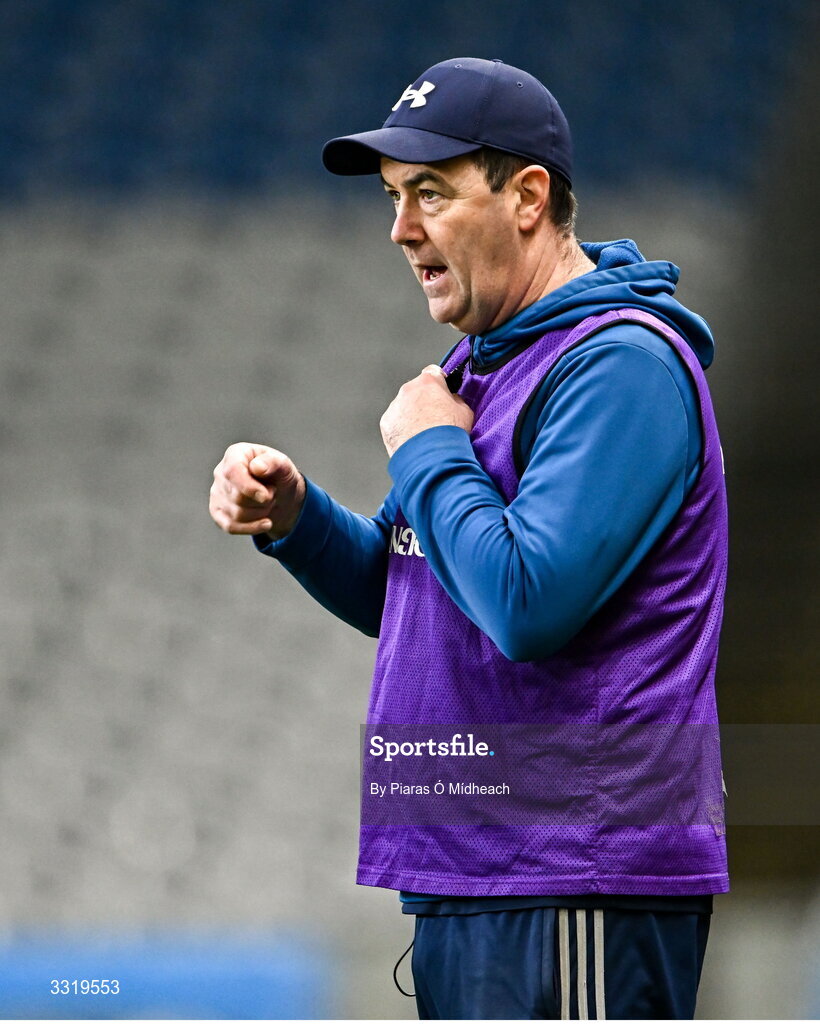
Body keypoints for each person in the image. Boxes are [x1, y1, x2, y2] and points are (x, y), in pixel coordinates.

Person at [209, 57, 728, 1020]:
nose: (401, 229)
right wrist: (299, 521)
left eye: (431, 193)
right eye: (394, 198)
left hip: (577, 877)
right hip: (480, 872)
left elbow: (525, 604)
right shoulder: (487, 361)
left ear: (528, 197)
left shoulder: (619, 366)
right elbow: (422, 586)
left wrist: (430, 447)